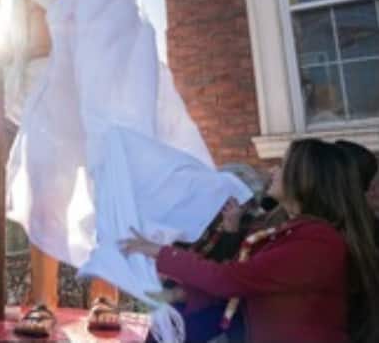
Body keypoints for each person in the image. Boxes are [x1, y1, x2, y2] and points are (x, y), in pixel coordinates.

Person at [0, 0, 250, 339]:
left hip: (99, 97)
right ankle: (42, 301)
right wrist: (12, 81)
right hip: (48, 95)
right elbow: (21, 43)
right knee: (45, 196)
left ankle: (105, 297)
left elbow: (124, 33)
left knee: (107, 192)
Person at [121, 138, 379, 343]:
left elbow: (231, 280)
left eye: (283, 164)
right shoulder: (295, 232)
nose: (273, 170)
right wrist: (179, 293)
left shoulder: (318, 242)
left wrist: (160, 252)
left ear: (305, 178)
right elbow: (247, 285)